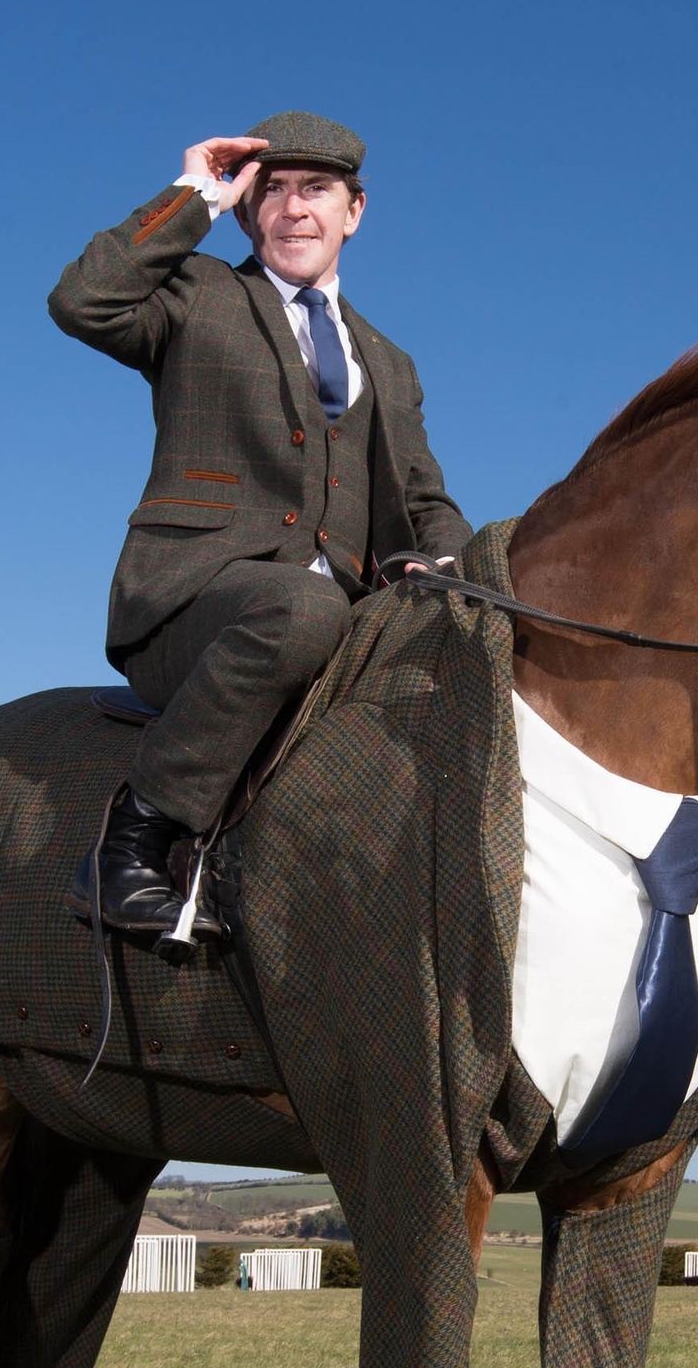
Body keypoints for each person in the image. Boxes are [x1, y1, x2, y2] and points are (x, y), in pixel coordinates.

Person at [48, 111, 471, 937]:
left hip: (342, 623)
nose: (293, 210)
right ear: (247, 213)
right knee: (300, 608)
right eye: (270, 193)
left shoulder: (388, 361)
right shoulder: (196, 293)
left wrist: (447, 565)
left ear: (355, 210)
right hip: (193, 608)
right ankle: (129, 848)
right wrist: (196, 192)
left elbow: (422, 499)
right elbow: (83, 300)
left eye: (316, 190)